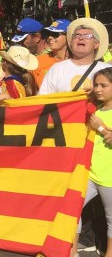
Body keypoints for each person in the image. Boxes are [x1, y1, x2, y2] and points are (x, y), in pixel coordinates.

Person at [73, 67, 112, 257]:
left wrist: (102, 129)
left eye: (103, 85)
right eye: (96, 84)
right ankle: (71, 252)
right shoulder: (93, 108)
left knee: (111, 221)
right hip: (88, 173)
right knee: (71, 209)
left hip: (109, 177)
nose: (98, 89)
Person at [40, 18, 110, 95]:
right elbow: (43, 101)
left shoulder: (107, 70)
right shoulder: (56, 69)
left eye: (87, 35)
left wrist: (97, 94)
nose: (81, 38)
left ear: (96, 44)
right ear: (71, 43)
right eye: (77, 35)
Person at [31, 19, 71, 89]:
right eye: (49, 34)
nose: (50, 37)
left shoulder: (78, 62)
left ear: (68, 36)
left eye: (55, 34)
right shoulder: (37, 62)